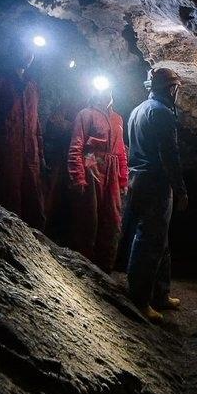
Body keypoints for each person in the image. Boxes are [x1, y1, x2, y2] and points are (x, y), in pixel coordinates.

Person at [122, 67, 187, 321]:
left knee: (160, 240)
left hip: (137, 179)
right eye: (176, 88)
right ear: (170, 88)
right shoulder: (162, 113)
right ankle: (140, 299)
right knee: (149, 242)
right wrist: (180, 190)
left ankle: (160, 293)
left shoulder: (138, 110)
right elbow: (170, 156)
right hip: (155, 183)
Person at [0, 42, 46, 229]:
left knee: (35, 200)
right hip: (8, 150)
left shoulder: (32, 86)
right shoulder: (0, 80)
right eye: (25, 50)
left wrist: (40, 154)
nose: (28, 55)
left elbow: (36, 121)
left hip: (30, 152)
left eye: (31, 52)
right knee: (10, 198)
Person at [67, 79, 128, 272]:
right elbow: (76, 147)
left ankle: (105, 269)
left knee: (112, 220)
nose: (107, 94)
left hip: (112, 171)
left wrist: (123, 179)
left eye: (110, 89)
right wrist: (78, 177)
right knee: (89, 220)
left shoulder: (117, 118)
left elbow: (121, 151)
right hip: (92, 168)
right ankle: (83, 268)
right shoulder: (85, 114)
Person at [43, 100, 80, 245]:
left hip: (77, 163)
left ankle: (64, 237)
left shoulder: (86, 110)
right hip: (60, 160)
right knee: (52, 198)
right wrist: (73, 128)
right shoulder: (69, 105)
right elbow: (53, 126)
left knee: (70, 204)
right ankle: (46, 233)